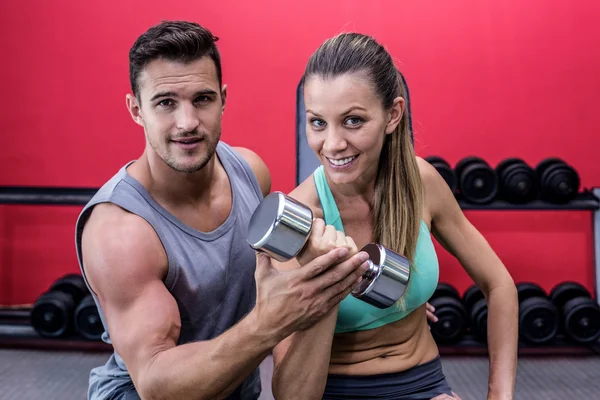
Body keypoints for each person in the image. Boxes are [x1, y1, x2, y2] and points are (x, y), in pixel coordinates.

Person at [74, 21, 370, 400]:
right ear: (136, 109)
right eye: (166, 102)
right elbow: (155, 384)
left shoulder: (250, 173)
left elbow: (305, 257)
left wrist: (398, 306)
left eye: (202, 99)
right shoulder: (120, 230)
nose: (188, 123)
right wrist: (270, 321)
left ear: (223, 99)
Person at [270, 32, 519, 400]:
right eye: (318, 122)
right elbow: (292, 395)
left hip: (425, 383)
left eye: (353, 121)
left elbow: (500, 286)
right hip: (336, 391)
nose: (333, 144)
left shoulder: (421, 183)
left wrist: (500, 394)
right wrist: (324, 285)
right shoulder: (298, 222)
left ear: (393, 114)